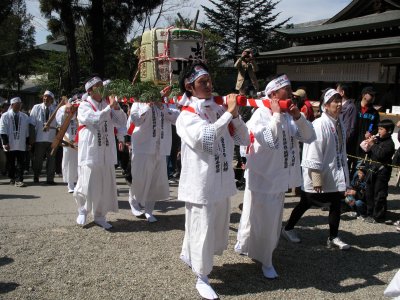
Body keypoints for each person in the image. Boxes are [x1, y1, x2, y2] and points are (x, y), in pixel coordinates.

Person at [176, 62, 250, 300]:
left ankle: (191, 256)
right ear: (189, 86)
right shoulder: (186, 115)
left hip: (220, 177)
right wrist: (228, 113)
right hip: (200, 182)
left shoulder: (218, 108)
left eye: (209, 81)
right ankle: (202, 276)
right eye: (202, 83)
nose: (209, 86)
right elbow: (206, 138)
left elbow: (243, 138)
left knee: (212, 226)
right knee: (202, 227)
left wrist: (235, 115)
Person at [235, 74, 316, 279]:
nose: (290, 94)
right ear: (273, 94)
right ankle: (263, 257)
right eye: (286, 90)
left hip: (278, 178)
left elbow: (309, 137)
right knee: (259, 218)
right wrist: (276, 115)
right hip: (262, 175)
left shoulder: (290, 115)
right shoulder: (260, 114)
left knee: (269, 220)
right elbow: (270, 140)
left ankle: (259, 252)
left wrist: (298, 116)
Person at [282, 88, 351, 250]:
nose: (339, 104)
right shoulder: (320, 124)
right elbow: (313, 151)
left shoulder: (338, 122)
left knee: (336, 203)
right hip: (318, 173)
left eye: (340, 101)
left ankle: (333, 237)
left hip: (333, 171)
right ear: (325, 106)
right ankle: (288, 228)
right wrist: (316, 178)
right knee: (306, 202)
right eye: (335, 101)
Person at [73, 77, 127, 229]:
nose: (101, 88)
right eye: (97, 86)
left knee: (104, 183)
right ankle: (82, 209)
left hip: (106, 149)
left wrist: (116, 108)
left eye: (101, 86)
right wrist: (109, 108)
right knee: (86, 181)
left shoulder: (106, 104)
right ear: (89, 91)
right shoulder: (84, 105)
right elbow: (95, 119)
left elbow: (122, 122)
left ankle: (100, 215)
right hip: (90, 149)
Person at [127, 87, 180, 222]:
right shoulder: (139, 102)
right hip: (143, 146)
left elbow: (176, 118)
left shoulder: (167, 103)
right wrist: (148, 105)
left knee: (155, 181)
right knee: (140, 178)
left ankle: (149, 210)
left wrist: (161, 105)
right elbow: (136, 120)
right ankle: (134, 202)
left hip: (161, 147)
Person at [361, 119, 395, 223]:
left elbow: (381, 155)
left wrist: (373, 145)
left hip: (382, 171)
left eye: (381, 129)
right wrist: (368, 142)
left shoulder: (390, 143)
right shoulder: (378, 140)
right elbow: (367, 151)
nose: (379, 131)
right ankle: (370, 213)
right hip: (372, 169)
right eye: (378, 129)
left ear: (389, 131)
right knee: (369, 192)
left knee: (379, 194)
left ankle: (378, 216)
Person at [349, 86, 380, 177]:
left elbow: (377, 127)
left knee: (358, 168)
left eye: (374, 96)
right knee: (346, 166)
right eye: (371, 95)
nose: (373, 97)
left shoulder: (374, 112)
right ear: (363, 95)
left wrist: (372, 133)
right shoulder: (353, 107)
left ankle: (354, 187)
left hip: (363, 145)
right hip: (350, 143)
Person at [0, 97, 30, 187]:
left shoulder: (24, 116)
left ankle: (19, 179)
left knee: (21, 162)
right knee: (11, 162)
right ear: (12, 105)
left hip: (21, 143)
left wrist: (27, 143)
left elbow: (26, 131)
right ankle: (12, 177)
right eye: (16, 104)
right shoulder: (5, 116)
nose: (18, 106)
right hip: (10, 142)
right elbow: (2, 130)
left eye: (19, 104)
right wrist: (5, 142)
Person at [29, 90, 58, 184]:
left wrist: (58, 138)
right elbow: (32, 123)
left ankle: (50, 179)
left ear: (52, 99)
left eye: (48, 97)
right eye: (44, 97)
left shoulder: (56, 109)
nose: (45, 98)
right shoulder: (36, 107)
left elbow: (59, 125)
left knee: (51, 160)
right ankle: (36, 176)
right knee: (38, 159)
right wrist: (32, 138)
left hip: (51, 139)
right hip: (39, 138)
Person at [56, 97, 78, 193]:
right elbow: (59, 121)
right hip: (67, 139)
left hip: (79, 139)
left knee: (78, 162)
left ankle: (78, 182)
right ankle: (70, 184)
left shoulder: (80, 108)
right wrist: (66, 111)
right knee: (68, 161)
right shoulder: (63, 108)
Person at [336, 83, 357, 173]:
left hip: (343, 146)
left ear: (342, 92)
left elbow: (349, 129)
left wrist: (342, 144)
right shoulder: (339, 106)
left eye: (336, 90)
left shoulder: (350, 107)